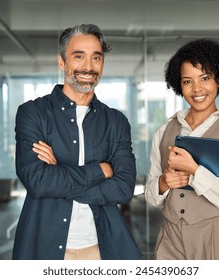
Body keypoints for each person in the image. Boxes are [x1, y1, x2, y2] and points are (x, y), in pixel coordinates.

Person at [12, 23, 141, 260]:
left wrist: (59, 175)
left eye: (96, 58)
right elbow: (38, 181)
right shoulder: (34, 113)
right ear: (62, 62)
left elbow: (123, 189)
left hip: (101, 249)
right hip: (43, 248)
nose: (88, 66)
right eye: (78, 56)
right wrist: (100, 171)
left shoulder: (116, 122)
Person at [144, 39, 219, 260]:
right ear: (179, 85)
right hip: (171, 239)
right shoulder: (165, 129)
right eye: (187, 81)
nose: (197, 89)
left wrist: (194, 172)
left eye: (205, 78)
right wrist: (164, 183)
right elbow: (150, 196)